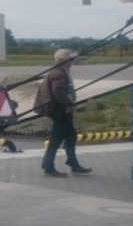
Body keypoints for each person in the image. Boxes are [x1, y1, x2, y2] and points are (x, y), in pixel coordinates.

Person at [34, 48, 92, 177]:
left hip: (62, 110)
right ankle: (48, 167)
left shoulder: (61, 71)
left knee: (71, 136)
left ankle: (73, 163)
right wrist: (68, 105)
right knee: (56, 139)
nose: (72, 61)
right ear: (62, 60)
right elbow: (58, 91)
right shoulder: (58, 73)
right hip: (60, 111)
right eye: (70, 59)